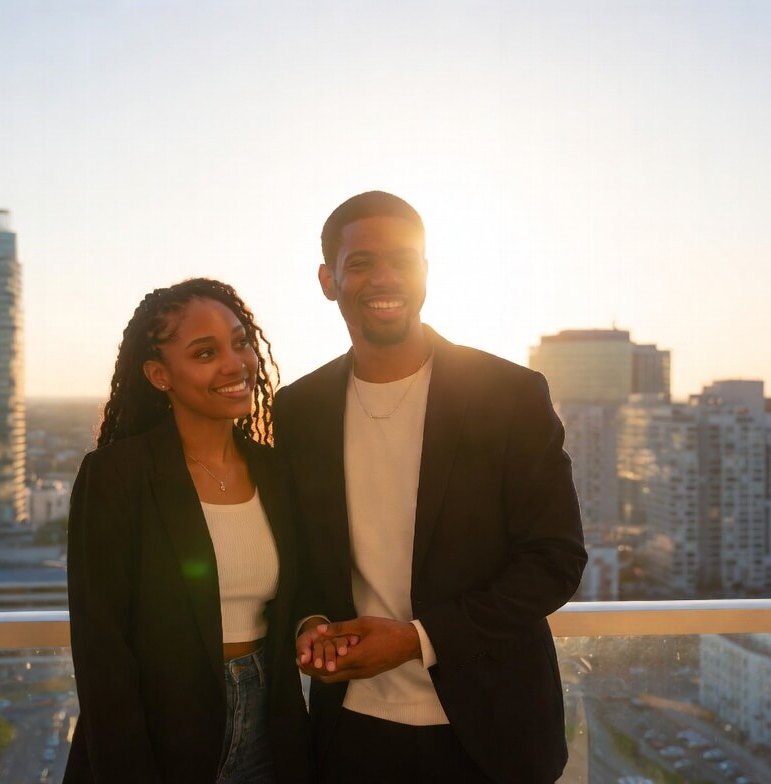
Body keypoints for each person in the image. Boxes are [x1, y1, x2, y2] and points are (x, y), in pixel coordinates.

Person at [274, 192, 587, 784]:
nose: (385, 278)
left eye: (403, 260)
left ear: (426, 272)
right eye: (361, 262)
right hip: (349, 733)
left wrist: (419, 640)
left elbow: (556, 560)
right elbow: (301, 559)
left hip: (492, 735)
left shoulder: (509, 394)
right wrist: (309, 622)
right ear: (328, 280)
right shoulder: (297, 410)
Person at [64, 278, 313, 784]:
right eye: (205, 353)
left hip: (271, 724)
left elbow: (301, 591)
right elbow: (102, 652)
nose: (235, 363)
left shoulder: (276, 471)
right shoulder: (116, 475)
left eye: (240, 342)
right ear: (160, 375)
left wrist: (316, 623)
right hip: (159, 737)